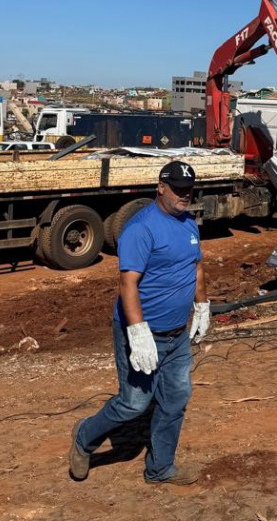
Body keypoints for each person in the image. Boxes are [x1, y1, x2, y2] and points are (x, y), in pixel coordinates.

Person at [69, 161, 210, 484]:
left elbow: (197, 267)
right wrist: (138, 332)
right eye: (177, 188)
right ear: (160, 187)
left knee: (175, 400)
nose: (184, 195)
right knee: (133, 404)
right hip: (142, 333)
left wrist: (202, 305)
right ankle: (84, 437)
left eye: (189, 189)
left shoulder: (189, 223)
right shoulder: (141, 228)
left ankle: (160, 468)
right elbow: (127, 284)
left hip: (176, 336)